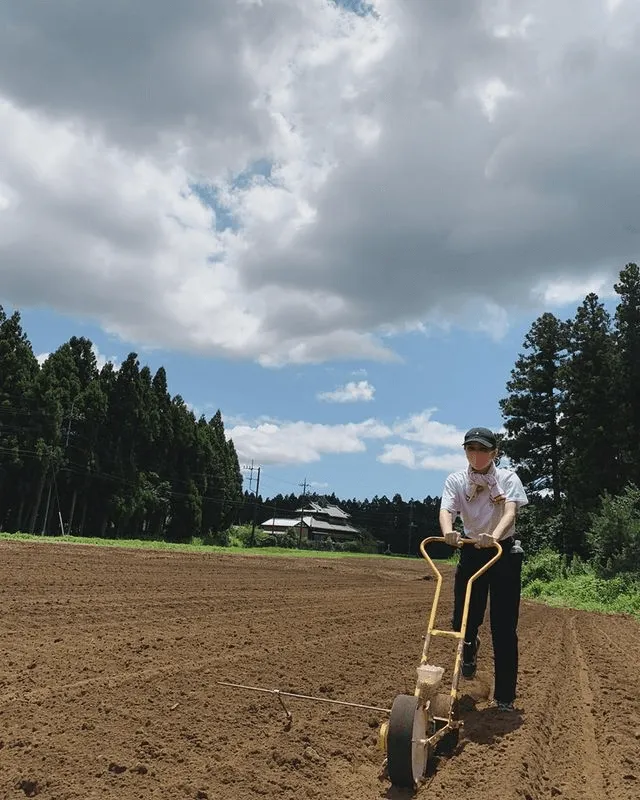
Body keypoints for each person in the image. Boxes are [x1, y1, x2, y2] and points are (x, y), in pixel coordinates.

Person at [438, 426, 528, 712]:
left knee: (503, 627)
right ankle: (469, 646)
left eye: (482, 449)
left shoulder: (507, 479)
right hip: (471, 551)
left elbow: (510, 511)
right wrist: (448, 531)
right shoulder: (456, 480)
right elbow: (446, 510)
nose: (476, 455)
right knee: (462, 621)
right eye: (471, 449)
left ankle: (504, 698)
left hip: (503, 553)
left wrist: (495, 535)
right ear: (465, 451)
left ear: (494, 453)